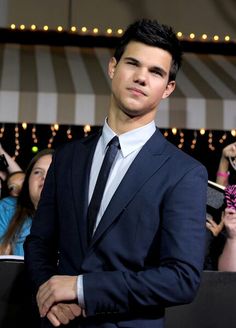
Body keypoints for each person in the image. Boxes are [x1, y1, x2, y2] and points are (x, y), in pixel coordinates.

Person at [24, 19, 208, 328]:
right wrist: (50, 294)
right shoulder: (68, 157)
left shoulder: (184, 173)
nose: (141, 78)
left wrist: (82, 289)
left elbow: (182, 279)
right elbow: (38, 243)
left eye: (156, 72)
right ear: (113, 67)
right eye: (132, 64)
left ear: (168, 88)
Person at [0, 149, 53, 256]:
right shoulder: (8, 208)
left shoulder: (79, 217)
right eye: (37, 172)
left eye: (52, 172)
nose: (44, 177)